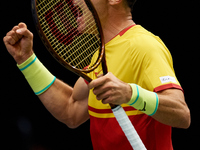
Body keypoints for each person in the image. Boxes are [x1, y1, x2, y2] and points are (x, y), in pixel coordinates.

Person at [3, 0, 190, 149]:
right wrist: (27, 60)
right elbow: (71, 109)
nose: (75, 2)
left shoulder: (143, 46)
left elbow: (181, 114)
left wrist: (130, 94)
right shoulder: (99, 55)